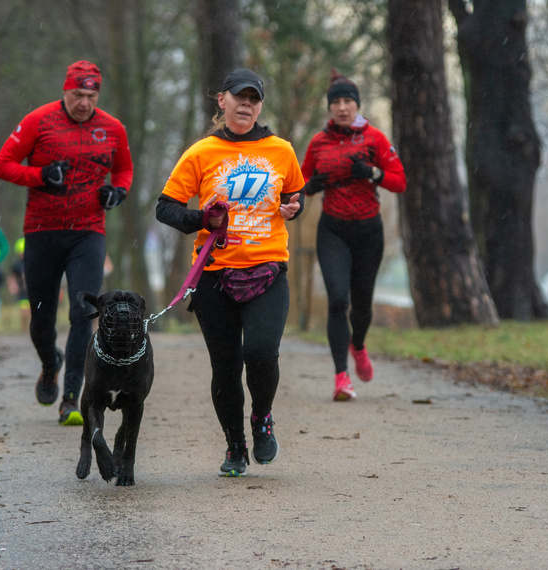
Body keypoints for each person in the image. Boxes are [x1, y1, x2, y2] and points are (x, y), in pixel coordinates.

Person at [156, 68, 304, 477]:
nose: (246, 104)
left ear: (260, 105)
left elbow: (294, 195)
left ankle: (262, 418)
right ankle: (235, 447)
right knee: (225, 367)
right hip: (214, 275)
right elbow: (165, 207)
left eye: (254, 99)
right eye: (239, 97)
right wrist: (200, 217)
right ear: (221, 100)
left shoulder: (281, 150)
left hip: (268, 271)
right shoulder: (201, 152)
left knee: (260, 353)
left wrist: (295, 207)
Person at [0, 60, 134, 426]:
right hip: (42, 232)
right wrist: (39, 175)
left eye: (90, 96)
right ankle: (49, 363)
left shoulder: (113, 127)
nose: (84, 103)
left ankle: (71, 399)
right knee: (41, 320)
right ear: (65, 90)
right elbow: (2, 164)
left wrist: (117, 192)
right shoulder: (39, 120)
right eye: (77, 95)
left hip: (88, 232)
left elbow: (123, 169)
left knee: (82, 313)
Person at [300, 69, 407, 402]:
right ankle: (341, 378)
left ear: (357, 105)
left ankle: (358, 344)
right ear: (330, 107)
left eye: (348, 101)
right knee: (337, 301)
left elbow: (399, 181)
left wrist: (373, 173)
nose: (343, 107)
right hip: (332, 229)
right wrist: (309, 188)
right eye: (337, 102)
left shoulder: (374, 138)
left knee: (361, 306)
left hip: (368, 231)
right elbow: (296, 187)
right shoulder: (318, 143)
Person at [6, 238, 31, 332]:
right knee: (24, 310)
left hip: (32, 291)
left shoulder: (33, 262)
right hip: (22, 291)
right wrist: (12, 285)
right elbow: (12, 276)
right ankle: (24, 329)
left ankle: (31, 328)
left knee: (32, 311)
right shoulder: (16, 264)